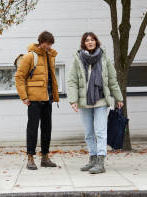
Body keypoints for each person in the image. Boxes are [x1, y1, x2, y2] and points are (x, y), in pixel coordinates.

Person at [67, 32, 124, 174]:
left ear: (96, 42)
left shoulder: (104, 58)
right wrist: (73, 100)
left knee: (100, 131)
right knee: (88, 133)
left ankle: (100, 161)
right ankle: (92, 159)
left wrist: (118, 98)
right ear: (84, 43)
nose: (90, 42)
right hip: (84, 101)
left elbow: (112, 79)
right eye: (87, 40)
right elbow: (72, 81)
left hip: (100, 100)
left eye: (92, 40)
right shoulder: (78, 58)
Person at [15, 31, 59, 170]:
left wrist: (54, 96)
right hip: (33, 100)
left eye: (51, 44)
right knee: (32, 129)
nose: (49, 46)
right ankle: (30, 158)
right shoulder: (30, 56)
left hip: (48, 99)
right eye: (47, 43)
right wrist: (24, 97)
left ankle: (45, 157)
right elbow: (19, 77)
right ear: (41, 42)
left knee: (47, 129)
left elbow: (51, 78)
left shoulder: (51, 56)